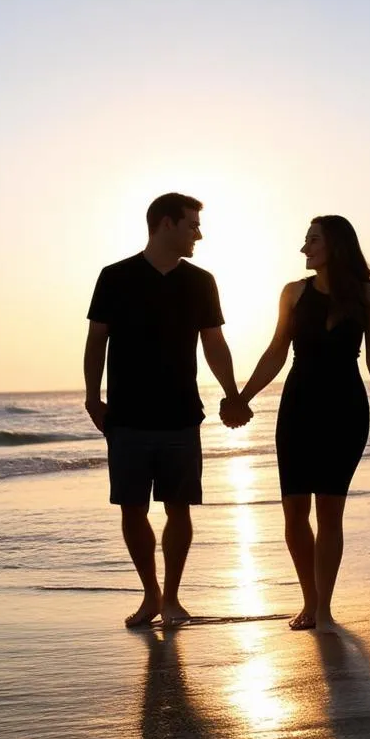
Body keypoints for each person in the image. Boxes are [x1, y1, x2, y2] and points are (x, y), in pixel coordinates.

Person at [84, 192, 251, 628]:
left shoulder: (200, 281)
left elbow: (214, 344)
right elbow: (97, 339)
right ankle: (151, 595)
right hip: (127, 416)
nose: (199, 233)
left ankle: (173, 598)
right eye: (192, 224)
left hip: (180, 415)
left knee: (180, 507)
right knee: (132, 509)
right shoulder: (115, 277)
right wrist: (91, 396)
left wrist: (233, 395)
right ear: (165, 224)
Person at [224, 215, 370, 632]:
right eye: (305, 241)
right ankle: (309, 598)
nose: (304, 249)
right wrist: (241, 398)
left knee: (330, 512)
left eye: (312, 240)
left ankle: (324, 609)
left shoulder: (368, 295)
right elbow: (276, 352)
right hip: (298, 407)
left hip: (345, 409)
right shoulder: (293, 293)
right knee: (294, 510)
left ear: (335, 244)